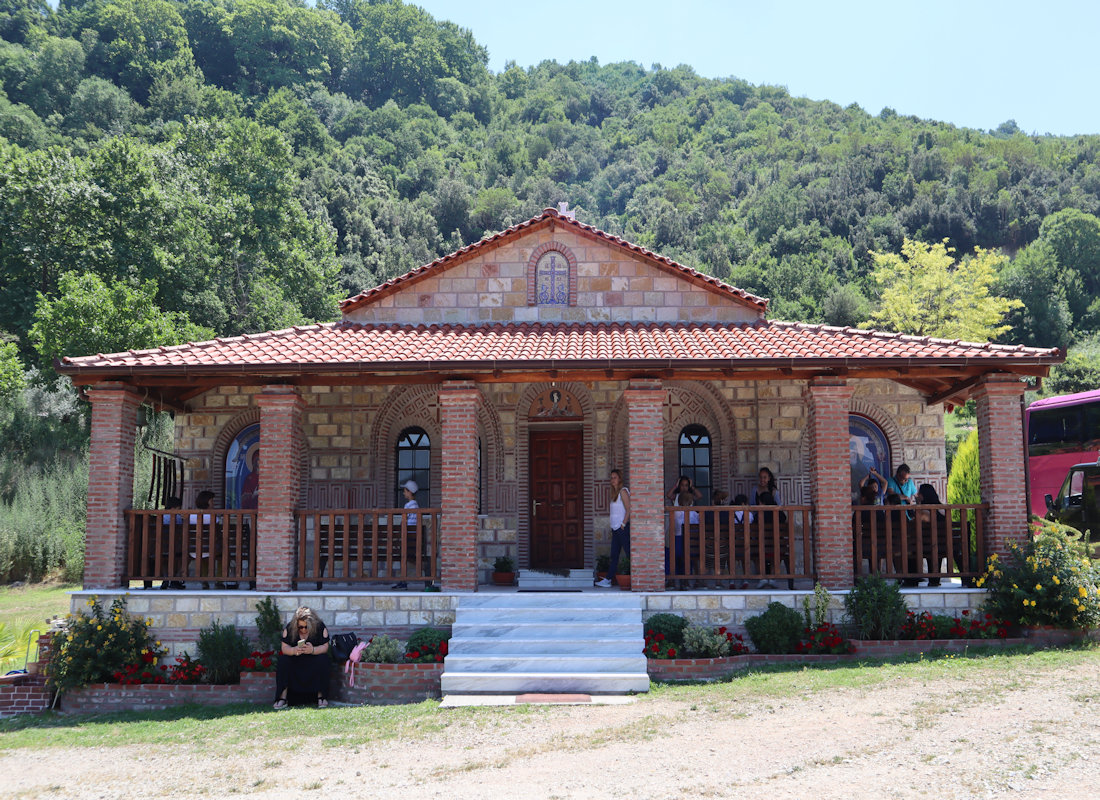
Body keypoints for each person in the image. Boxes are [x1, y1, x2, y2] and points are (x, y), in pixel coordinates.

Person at [273, 606, 330, 709]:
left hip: (313, 658)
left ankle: (321, 697)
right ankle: (282, 697)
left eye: (306, 627)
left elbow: (325, 647)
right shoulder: (290, 628)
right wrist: (294, 650)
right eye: (300, 627)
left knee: (323, 659)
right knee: (283, 660)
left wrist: (313, 650)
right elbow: (284, 648)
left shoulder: (320, 627)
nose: (303, 630)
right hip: (296, 659)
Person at [596, 469, 630, 588]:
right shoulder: (615, 493)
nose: (612, 480)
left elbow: (629, 509)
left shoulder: (623, 491)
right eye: (611, 477)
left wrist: (623, 525)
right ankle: (608, 579)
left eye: (615, 477)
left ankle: (636, 578)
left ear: (620, 478)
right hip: (615, 529)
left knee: (629, 553)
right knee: (614, 555)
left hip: (622, 528)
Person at [392, 480, 420, 589]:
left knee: (402, 556)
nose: (404, 493)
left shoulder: (408, 506)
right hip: (413, 537)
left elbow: (404, 522)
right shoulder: (416, 505)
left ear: (409, 492)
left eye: (405, 491)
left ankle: (403, 581)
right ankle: (403, 580)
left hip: (407, 537)